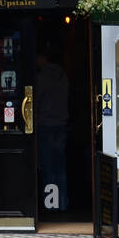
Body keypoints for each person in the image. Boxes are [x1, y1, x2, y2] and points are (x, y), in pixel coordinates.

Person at [34, 49, 70, 212]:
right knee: (60, 166)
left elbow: (36, 99)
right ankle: (62, 204)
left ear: (43, 58)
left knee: (48, 166)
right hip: (61, 124)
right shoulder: (63, 76)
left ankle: (51, 205)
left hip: (46, 124)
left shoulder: (41, 77)